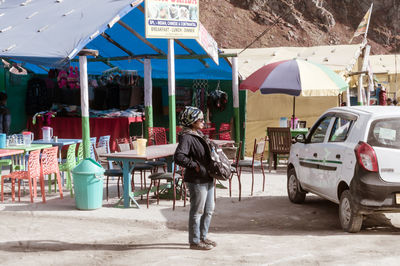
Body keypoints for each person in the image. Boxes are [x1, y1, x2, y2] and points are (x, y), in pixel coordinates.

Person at [174, 106, 216, 251]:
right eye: (200, 119)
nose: (204, 121)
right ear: (192, 121)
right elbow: (179, 156)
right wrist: (195, 166)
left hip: (208, 177)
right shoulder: (187, 137)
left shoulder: (197, 133)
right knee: (197, 211)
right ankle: (194, 241)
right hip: (197, 179)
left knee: (209, 209)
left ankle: (203, 237)